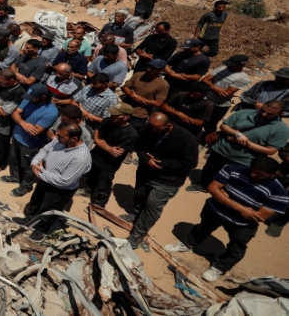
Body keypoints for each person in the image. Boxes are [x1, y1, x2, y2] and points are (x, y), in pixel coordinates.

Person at [165, 156, 288, 282]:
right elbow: (212, 188)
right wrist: (241, 208)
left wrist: (223, 196)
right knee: (202, 228)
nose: (253, 174)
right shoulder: (234, 169)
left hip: (242, 224)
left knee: (236, 247)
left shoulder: (279, 193)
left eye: (260, 174)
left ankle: (220, 267)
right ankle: (187, 244)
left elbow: (259, 216)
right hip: (214, 210)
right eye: (252, 170)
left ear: (274, 174)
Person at [124, 113, 198, 249]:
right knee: (139, 194)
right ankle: (135, 214)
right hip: (146, 172)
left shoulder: (187, 139)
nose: (152, 130)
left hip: (168, 180)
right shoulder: (149, 128)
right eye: (150, 126)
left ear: (168, 125)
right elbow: (139, 146)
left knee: (152, 205)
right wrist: (147, 159)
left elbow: (190, 163)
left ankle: (137, 234)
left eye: (156, 128)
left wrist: (162, 163)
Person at [13, 123, 92, 240]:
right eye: (57, 134)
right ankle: (30, 220)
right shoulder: (60, 141)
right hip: (44, 179)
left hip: (59, 190)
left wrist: (41, 173)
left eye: (61, 136)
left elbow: (65, 181)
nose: (56, 137)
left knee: (48, 210)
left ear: (74, 138)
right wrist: (35, 163)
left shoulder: (81, 157)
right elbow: (45, 150)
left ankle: (41, 230)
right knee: (36, 202)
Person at [189, 100, 289, 193]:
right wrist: (237, 134)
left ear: (281, 114)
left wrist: (247, 143)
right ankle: (204, 185)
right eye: (263, 110)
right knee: (210, 170)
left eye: (270, 114)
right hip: (222, 149)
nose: (264, 114)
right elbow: (224, 126)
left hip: (245, 159)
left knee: (237, 179)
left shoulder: (281, 129)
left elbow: (271, 150)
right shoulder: (244, 113)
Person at [2, 83, 60, 197]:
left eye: (33, 97)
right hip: (17, 135)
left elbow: (35, 131)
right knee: (15, 159)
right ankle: (15, 177)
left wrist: (20, 120)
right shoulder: (29, 99)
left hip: (30, 144)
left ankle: (26, 186)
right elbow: (15, 113)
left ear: (43, 97)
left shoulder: (51, 112)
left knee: (28, 166)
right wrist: (23, 123)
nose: (29, 99)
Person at [84, 104, 139, 208]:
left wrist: (102, 143)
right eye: (112, 114)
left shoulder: (130, 134)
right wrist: (108, 148)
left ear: (126, 117)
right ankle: (87, 191)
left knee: (103, 183)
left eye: (116, 115)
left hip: (109, 164)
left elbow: (116, 153)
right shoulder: (107, 121)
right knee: (91, 175)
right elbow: (96, 136)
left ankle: (100, 204)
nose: (112, 116)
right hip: (96, 156)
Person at [201, 55, 251, 137]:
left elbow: (225, 94)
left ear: (242, 65)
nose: (229, 66)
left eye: (233, 65)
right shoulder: (222, 68)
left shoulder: (243, 78)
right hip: (206, 99)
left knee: (210, 125)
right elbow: (204, 80)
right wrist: (215, 88)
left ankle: (205, 139)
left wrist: (210, 85)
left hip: (219, 105)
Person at [121, 59, 170, 130]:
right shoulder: (138, 75)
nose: (149, 69)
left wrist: (141, 99)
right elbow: (125, 87)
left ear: (161, 70)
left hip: (139, 114)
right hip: (124, 108)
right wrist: (133, 96)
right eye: (149, 66)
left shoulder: (163, 85)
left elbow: (158, 103)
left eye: (153, 68)